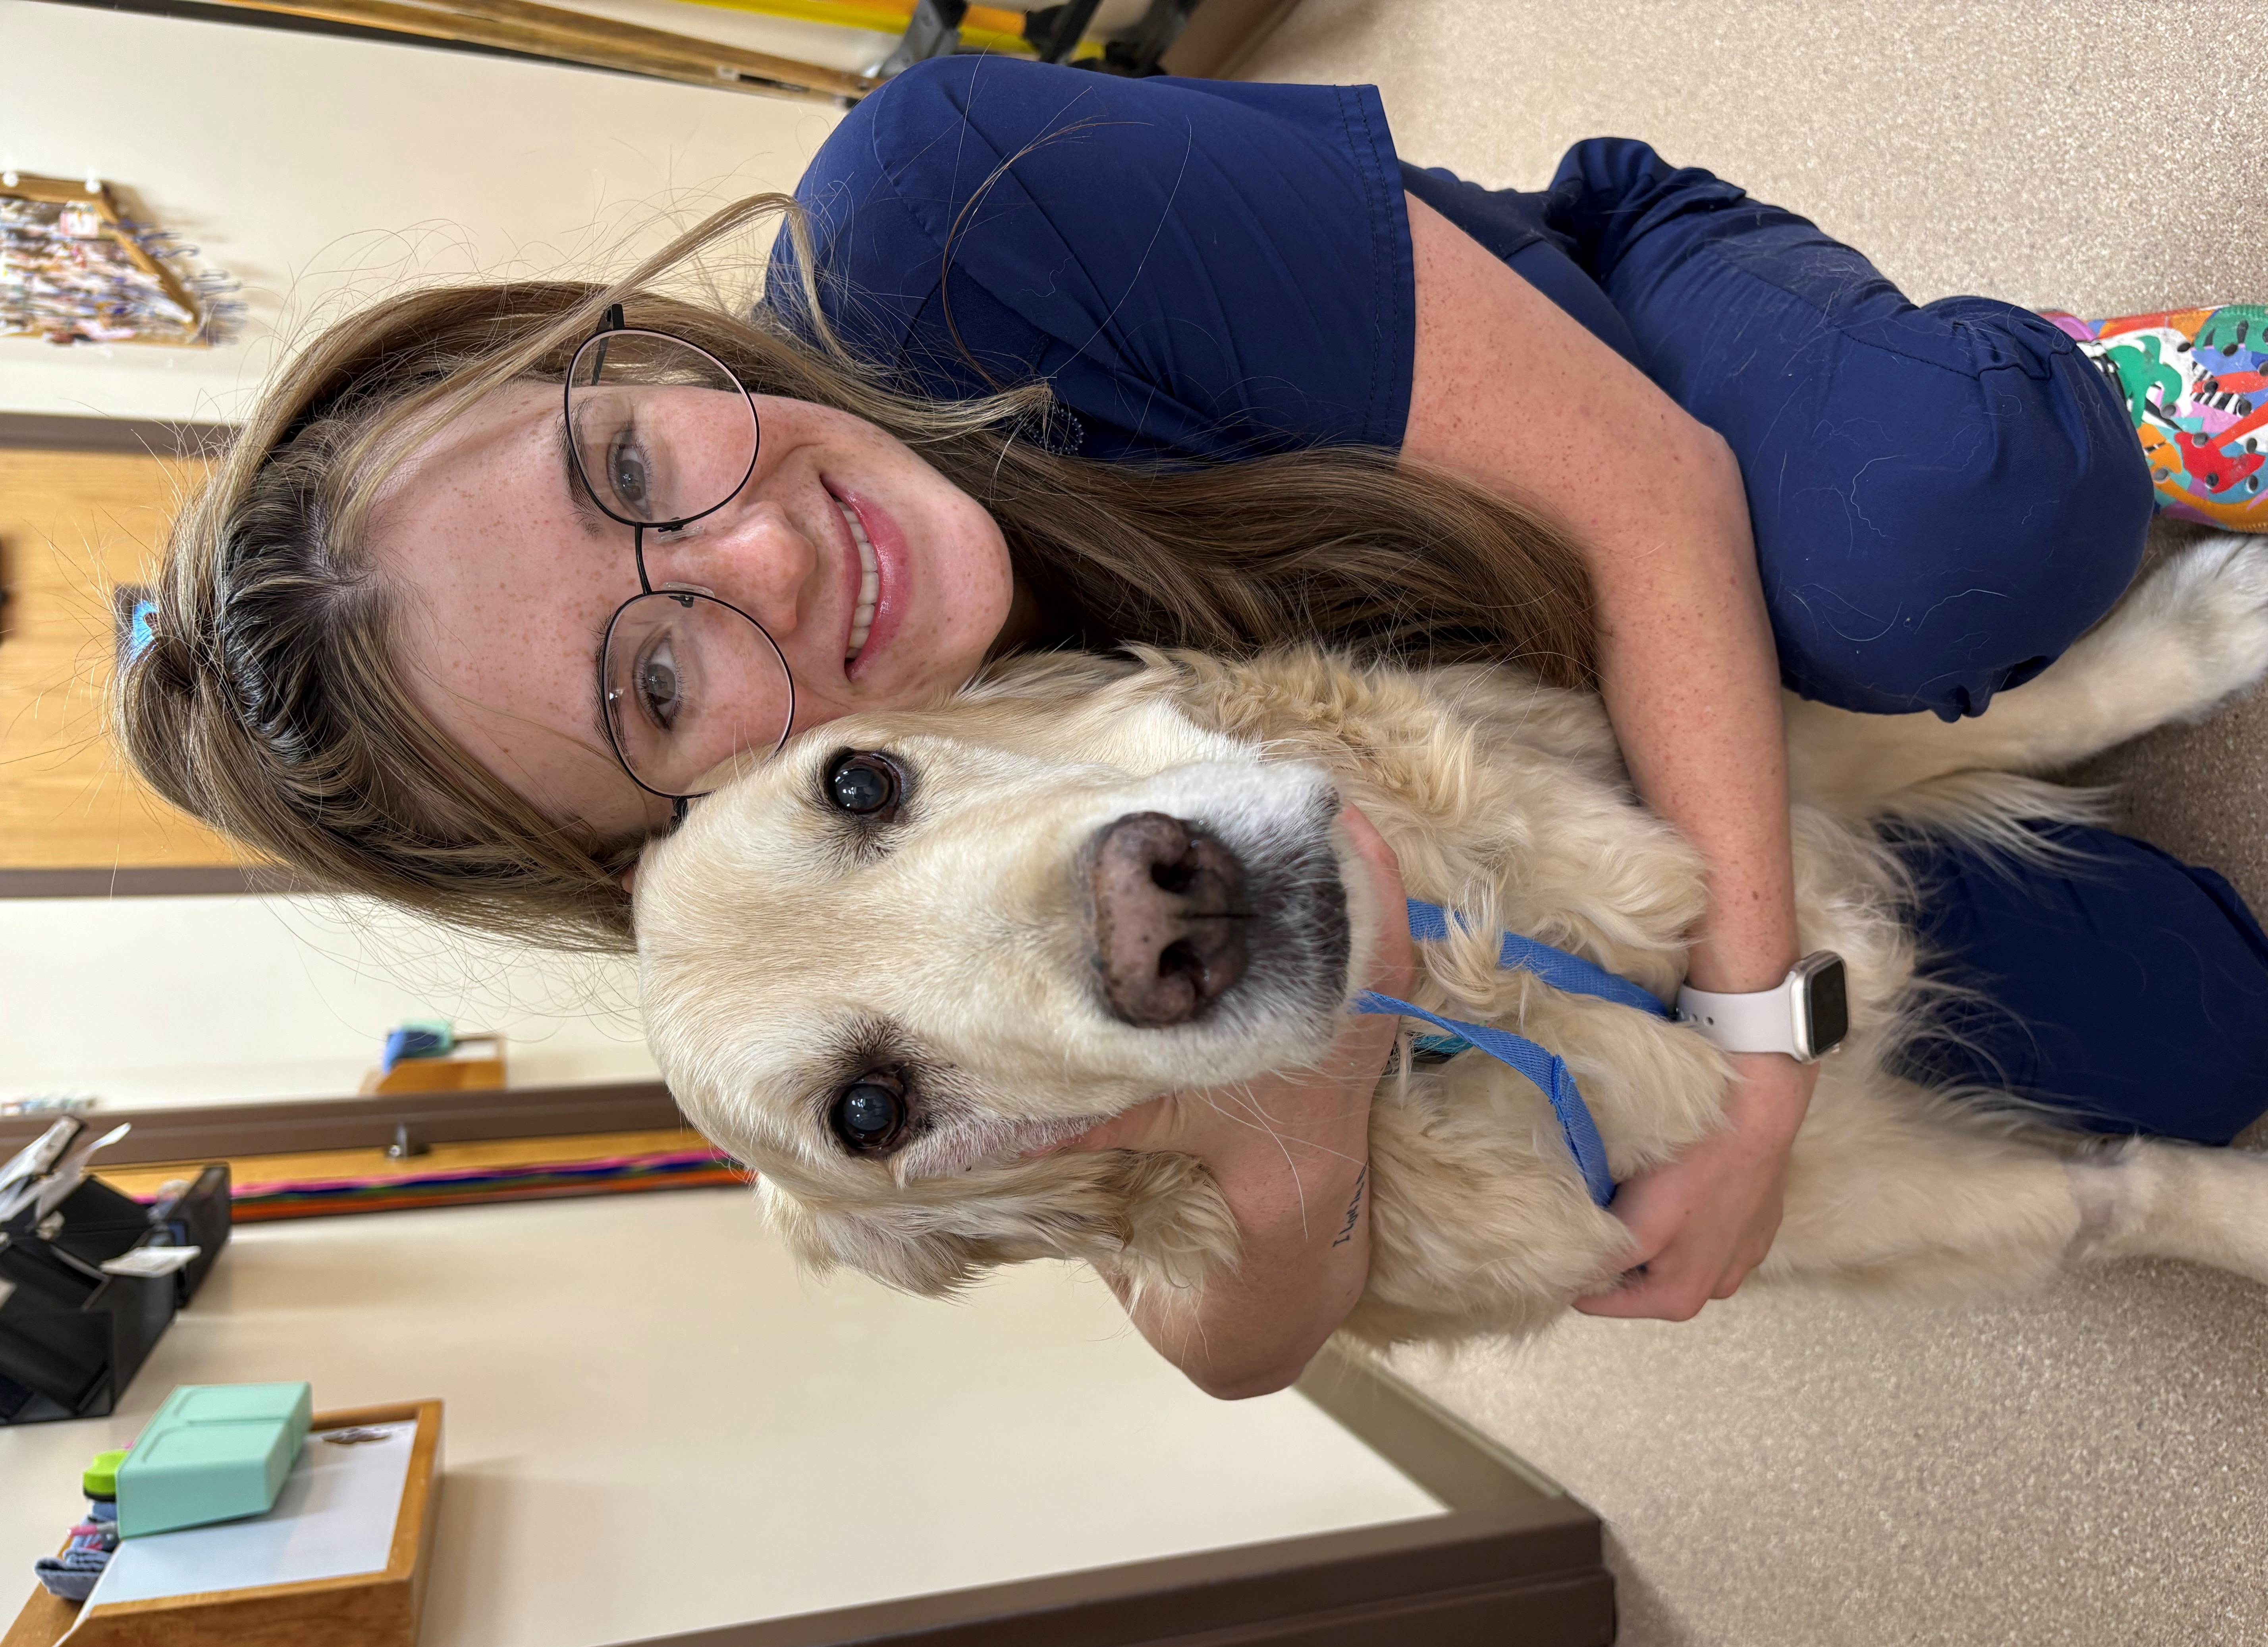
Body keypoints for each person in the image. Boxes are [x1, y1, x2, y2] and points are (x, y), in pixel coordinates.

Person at [119, 58, 2268, 1398]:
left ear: (597, 345)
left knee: (1940, 539)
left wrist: (1763, 1067)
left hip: (1622, 401)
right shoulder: (840, 987)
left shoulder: (951, 193)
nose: (756, 564)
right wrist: (1292, 1119)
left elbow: (1642, 503)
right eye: (653, 680)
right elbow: (1225, 1339)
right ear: (651, 817)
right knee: (2207, 1041)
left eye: (622, 463)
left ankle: (2030, 412)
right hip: (1569, 770)